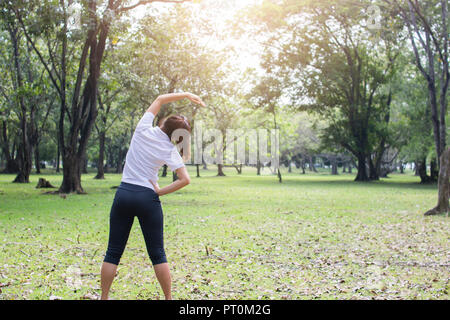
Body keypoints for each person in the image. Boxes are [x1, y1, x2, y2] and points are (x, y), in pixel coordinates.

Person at [100, 92, 205, 300]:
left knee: (113, 252)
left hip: (124, 194)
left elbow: (159, 99)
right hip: (147, 198)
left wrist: (185, 94)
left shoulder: (142, 129)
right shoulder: (169, 150)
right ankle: (168, 299)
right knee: (157, 253)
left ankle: (104, 297)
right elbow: (185, 178)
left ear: (164, 122)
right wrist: (159, 191)